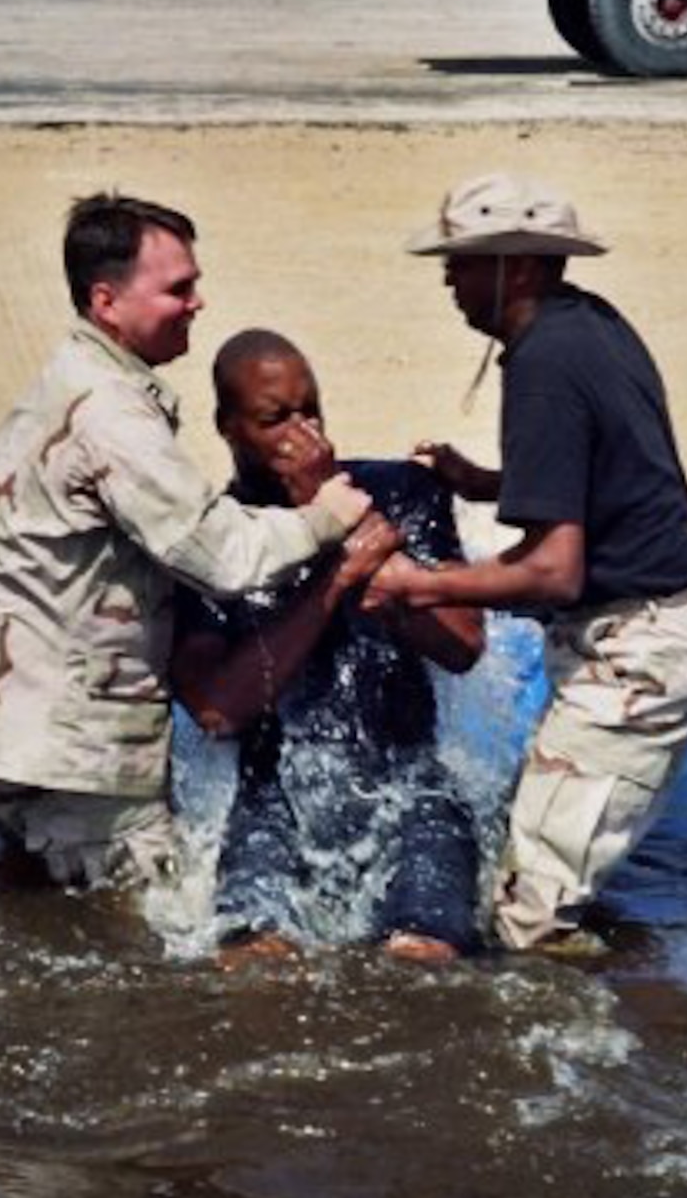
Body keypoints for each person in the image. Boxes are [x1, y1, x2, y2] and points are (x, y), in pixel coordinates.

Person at [0, 193, 371, 889]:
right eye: (178, 289)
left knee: (33, 892)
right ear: (106, 302)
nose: (198, 303)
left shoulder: (65, 379)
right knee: (158, 920)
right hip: (65, 741)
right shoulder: (111, 416)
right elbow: (221, 555)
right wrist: (326, 516)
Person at [361, 172, 687, 954]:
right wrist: (487, 482)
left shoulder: (543, 362)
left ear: (520, 268)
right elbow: (605, 471)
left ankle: (599, 1048)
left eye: (464, 262)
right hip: (658, 632)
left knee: (528, 918)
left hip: (640, 649)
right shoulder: (587, 326)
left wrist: (416, 584)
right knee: (536, 862)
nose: (448, 279)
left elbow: (552, 572)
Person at [171, 329, 485, 964]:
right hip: (273, 802)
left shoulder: (398, 492)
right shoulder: (214, 543)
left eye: (311, 409)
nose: (304, 432)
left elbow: (463, 644)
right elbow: (217, 712)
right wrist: (337, 571)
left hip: (409, 784)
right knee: (253, 959)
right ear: (227, 427)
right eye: (275, 418)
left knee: (426, 955)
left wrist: (352, 520)